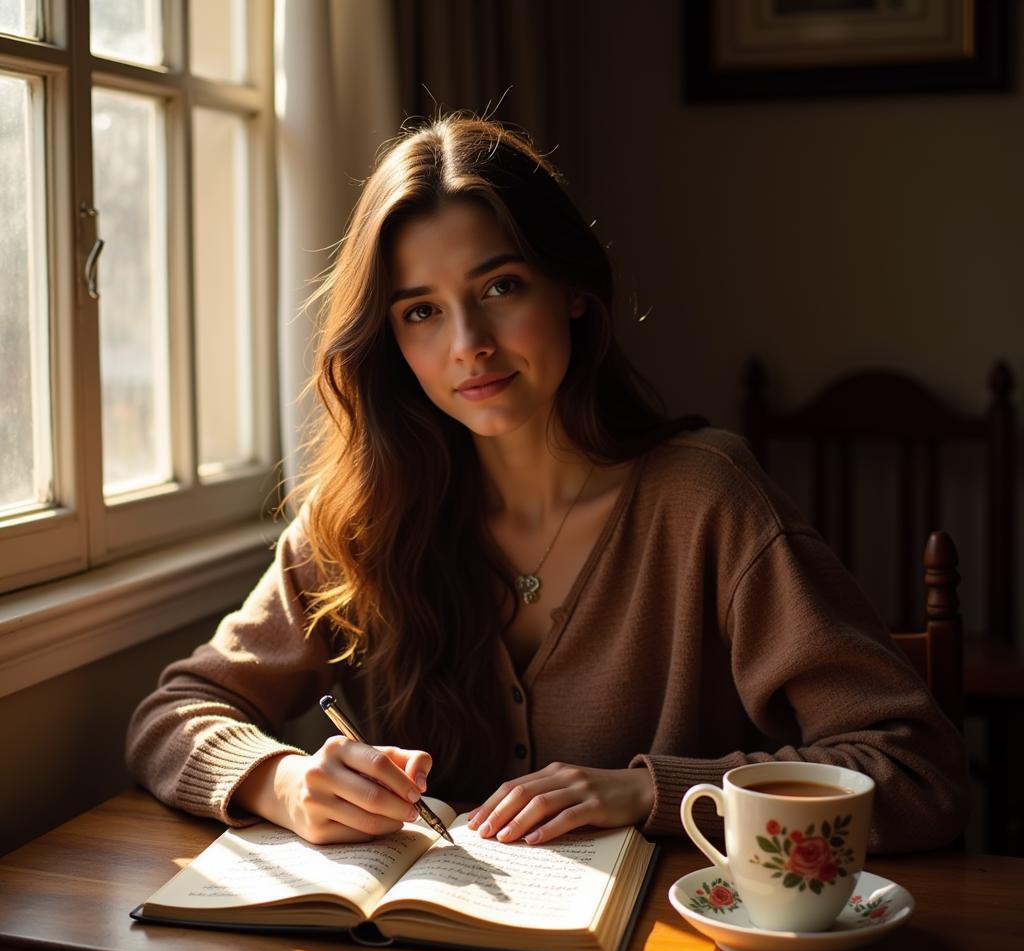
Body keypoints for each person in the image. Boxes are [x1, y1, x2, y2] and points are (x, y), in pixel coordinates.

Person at [126, 115, 969, 854]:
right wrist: (283, 781)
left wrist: (652, 792)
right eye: (421, 310)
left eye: (499, 287)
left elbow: (912, 772)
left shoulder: (706, 500)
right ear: (388, 342)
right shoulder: (359, 520)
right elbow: (174, 712)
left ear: (571, 291)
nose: (470, 344)